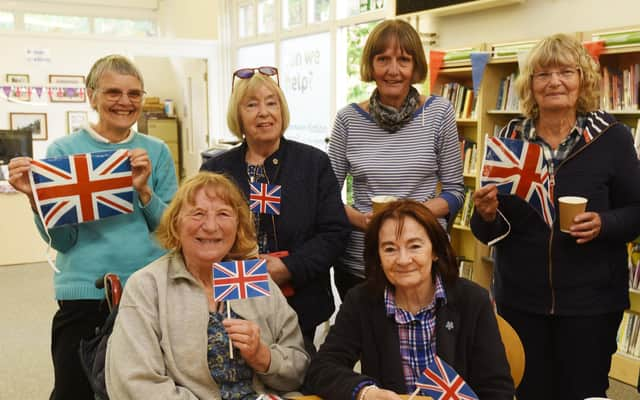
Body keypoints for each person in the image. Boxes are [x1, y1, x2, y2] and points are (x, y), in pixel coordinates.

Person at [471, 33, 640, 400]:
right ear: (530, 84)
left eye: (566, 71)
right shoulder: (509, 137)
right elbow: (489, 232)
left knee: (584, 392)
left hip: (591, 304)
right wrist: (484, 215)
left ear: (583, 79)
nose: (555, 82)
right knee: (528, 391)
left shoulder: (612, 138)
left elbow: (637, 211)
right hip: (520, 300)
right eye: (543, 74)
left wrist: (604, 223)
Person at [7, 54, 177, 400]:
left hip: (147, 290)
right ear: (91, 95)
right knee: (74, 390)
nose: (125, 102)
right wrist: (36, 201)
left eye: (134, 94)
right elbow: (64, 241)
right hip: (84, 292)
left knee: (143, 389)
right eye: (113, 92)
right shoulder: (64, 151)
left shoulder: (155, 152)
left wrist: (144, 191)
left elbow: (171, 232)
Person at [105, 172, 309, 399]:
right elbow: (136, 383)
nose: (211, 226)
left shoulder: (253, 278)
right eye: (197, 214)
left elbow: (298, 369)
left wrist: (263, 357)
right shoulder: (148, 286)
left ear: (238, 225)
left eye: (223, 214)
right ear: (175, 224)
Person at [200, 67, 351, 353]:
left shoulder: (313, 163)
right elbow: (202, 235)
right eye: (252, 104)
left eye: (272, 102)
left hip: (300, 306)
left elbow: (335, 232)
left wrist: (288, 268)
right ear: (238, 116)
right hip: (234, 303)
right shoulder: (216, 170)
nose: (264, 112)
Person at [304, 199, 513, 400]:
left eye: (414, 246)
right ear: (377, 256)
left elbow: (496, 389)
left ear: (435, 251)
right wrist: (365, 393)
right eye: (390, 249)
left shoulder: (472, 300)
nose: (403, 260)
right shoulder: (361, 301)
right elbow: (322, 368)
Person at [328, 19, 465, 299]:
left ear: (415, 67)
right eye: (383, 59)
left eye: (403, 60)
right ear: (370, 65)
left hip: (424, 260)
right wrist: (361, 220)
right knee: (366, 342)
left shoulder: (439, 113)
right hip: (361, 261)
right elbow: (327, 198)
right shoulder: (348, 120)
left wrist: (414, 216)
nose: (393, 70)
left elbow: (455, 193)